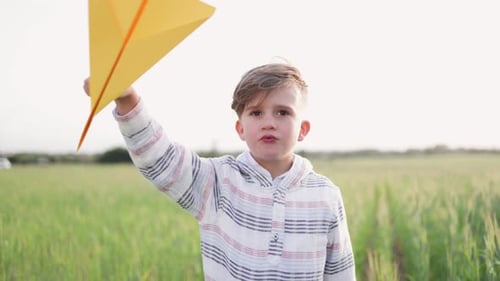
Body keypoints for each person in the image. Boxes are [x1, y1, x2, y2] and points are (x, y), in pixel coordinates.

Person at [83, 62, 356, 280]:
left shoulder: (326, 195)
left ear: (303, 130)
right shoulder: (217, 182)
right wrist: (127, 99)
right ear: (240, 129)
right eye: (256, 113)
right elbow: (161, 159)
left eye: (283, 112)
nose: (269, 123)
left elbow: (340, 272)